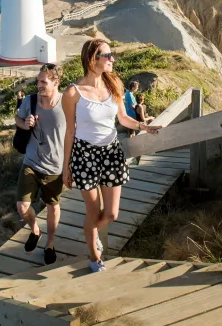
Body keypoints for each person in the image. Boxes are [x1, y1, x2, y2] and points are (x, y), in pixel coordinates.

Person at [62, 40, 161, 272]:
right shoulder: (72, 92)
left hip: (111, 153)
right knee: (93, 212)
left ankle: (90, 231)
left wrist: (144, 127)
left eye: (111, 55)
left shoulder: (114, 82)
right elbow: (70, 131)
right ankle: (94, 257)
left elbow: (123, 118)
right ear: (92, 59)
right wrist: (67, 167)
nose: (112, 59)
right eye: (107, 55)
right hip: (84, 155)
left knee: (112, 214)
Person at [14, 64, 66, 264]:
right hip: (31, 161)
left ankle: (50, 244)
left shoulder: (66, 105)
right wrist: (24, 122)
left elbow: (73, 134)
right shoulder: (30, 100)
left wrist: (69, 166)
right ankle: (35, 230)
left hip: (55, 167)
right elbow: (17, 119)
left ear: (56, 82)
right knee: (22, 206)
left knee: (53, 206)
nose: (39, 85)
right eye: (38, 80)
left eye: (43, 81)